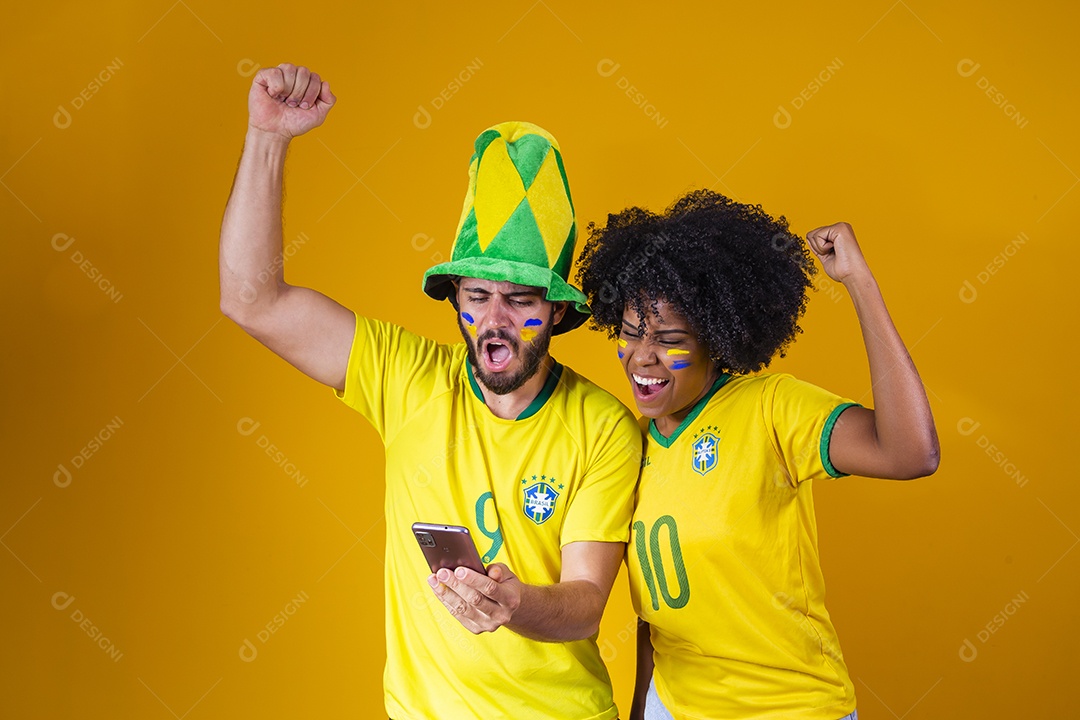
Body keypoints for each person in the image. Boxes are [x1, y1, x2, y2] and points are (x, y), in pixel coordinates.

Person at [219, 64, 641, 719]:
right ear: (456, 299)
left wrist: (515, 603)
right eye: (477, 297)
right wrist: (267, 138)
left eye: (520, 300)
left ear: (558, 310)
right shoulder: (404, 375)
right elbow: (253, 300)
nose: (495, 321)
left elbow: (586, 602)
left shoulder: (603, 425)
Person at [576, 190, 940, 720]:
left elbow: (911, 453)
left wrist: (860, 283)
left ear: (716, 339)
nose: (642, 358)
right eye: (631, 334)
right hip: (673, 707)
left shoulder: (771, 408)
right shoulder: (628, 443)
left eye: (670, 339)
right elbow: (656, 616)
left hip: (789, 707)